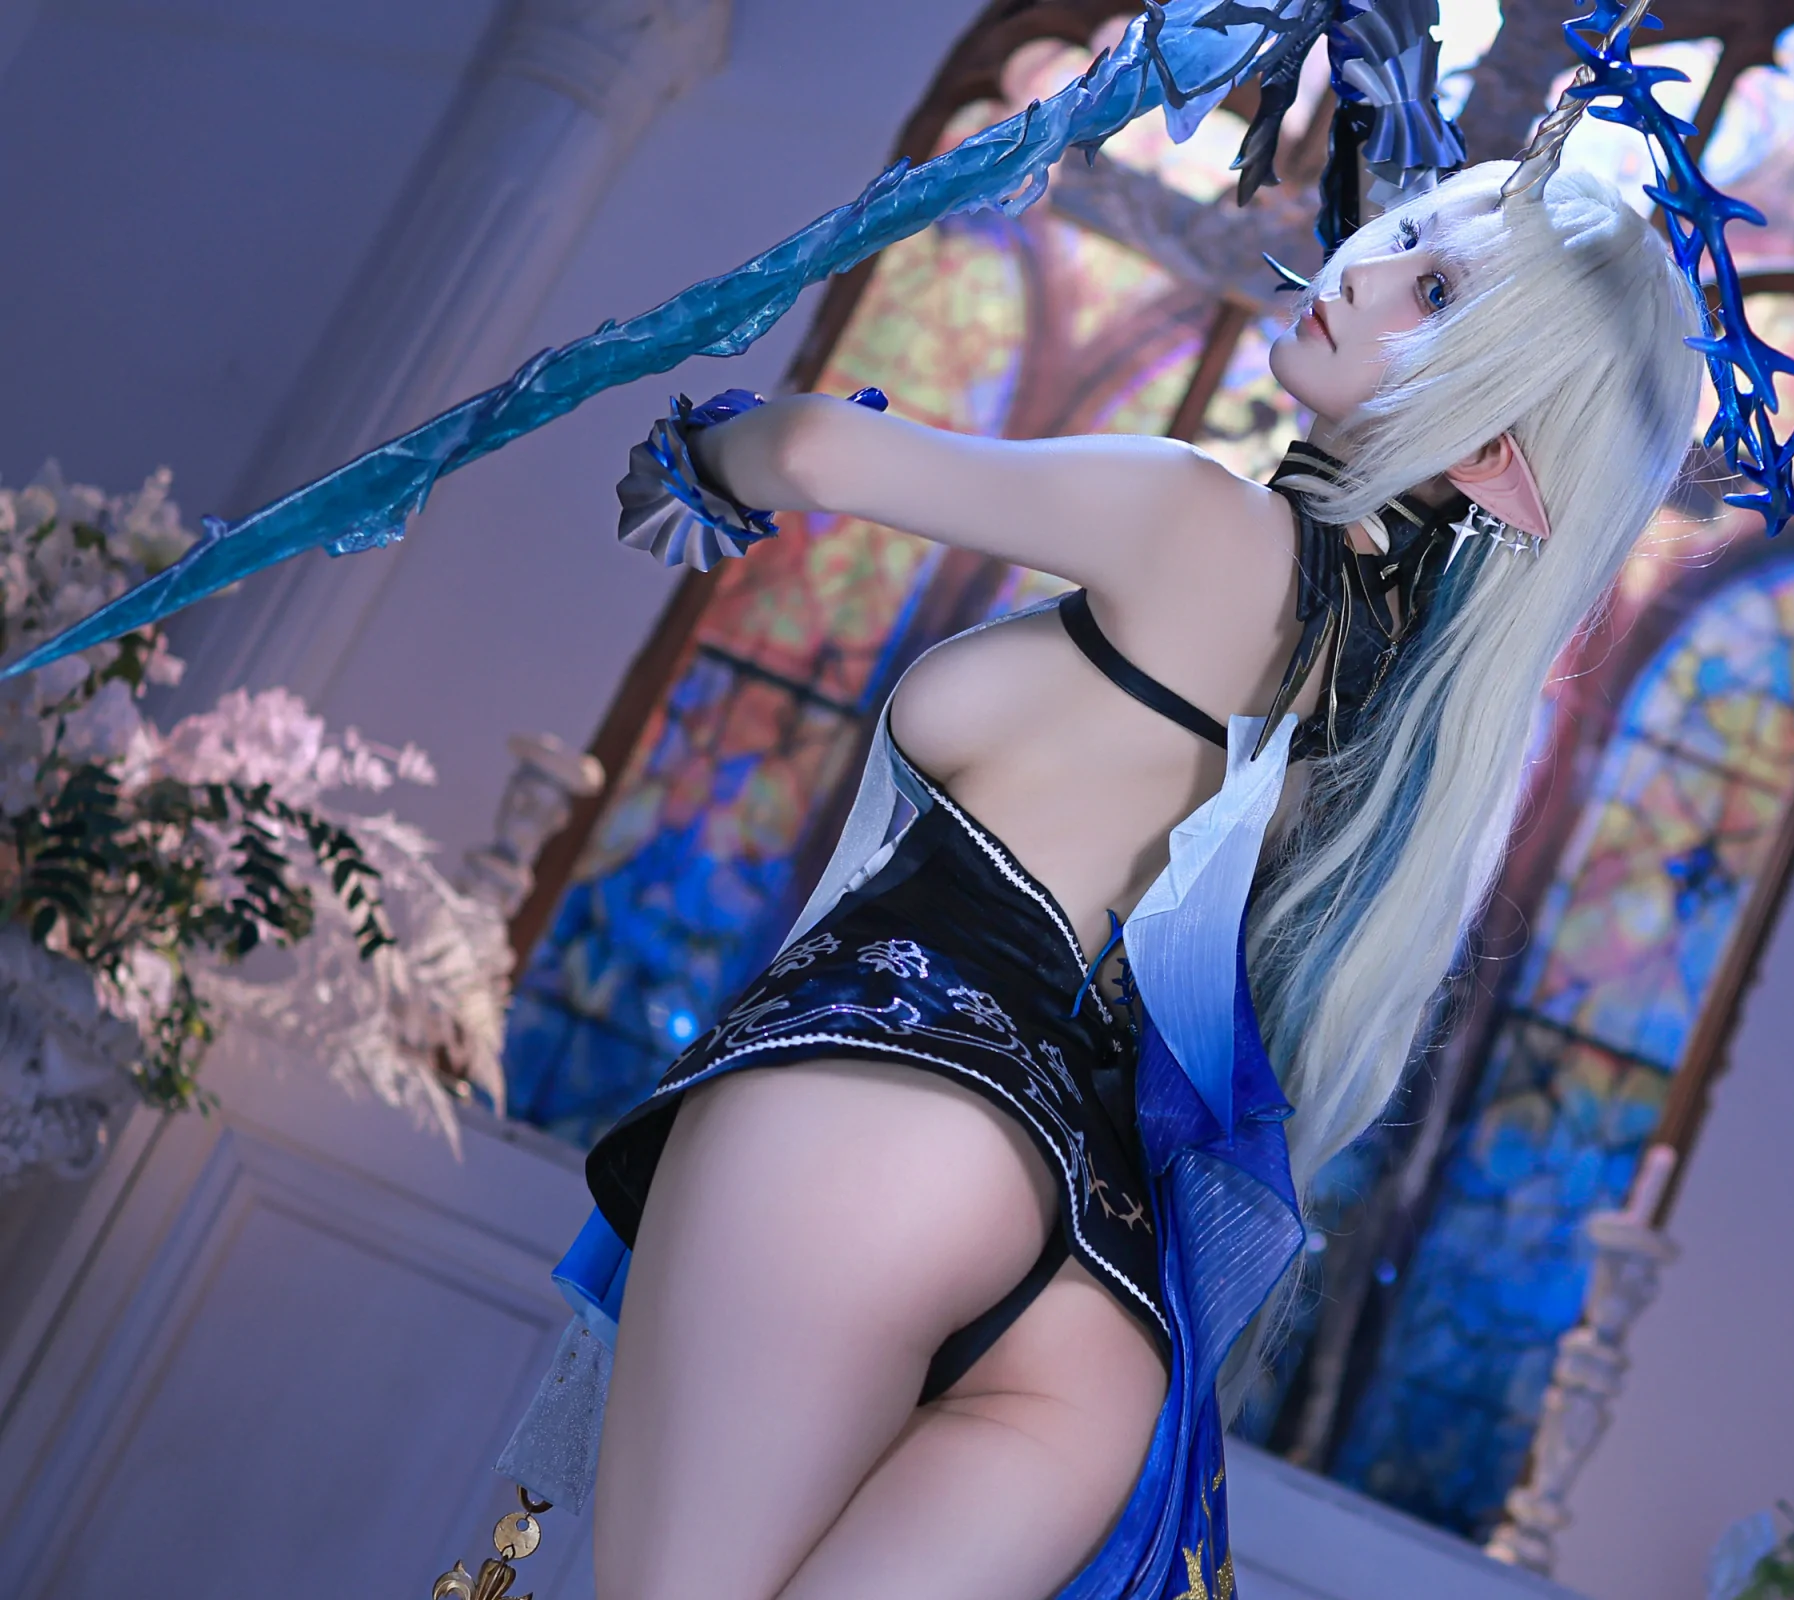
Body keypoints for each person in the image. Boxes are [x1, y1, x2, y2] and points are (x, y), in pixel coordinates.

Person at [529, 155, 1701, 1600]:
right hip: (1098, 1299)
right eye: (1402, 232)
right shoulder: (1401, 722)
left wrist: (707, 460)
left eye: (1441, 292)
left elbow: (821, 455)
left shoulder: (1191, 515)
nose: (1362, 275)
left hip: (881, 1114)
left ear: (1493, 451)